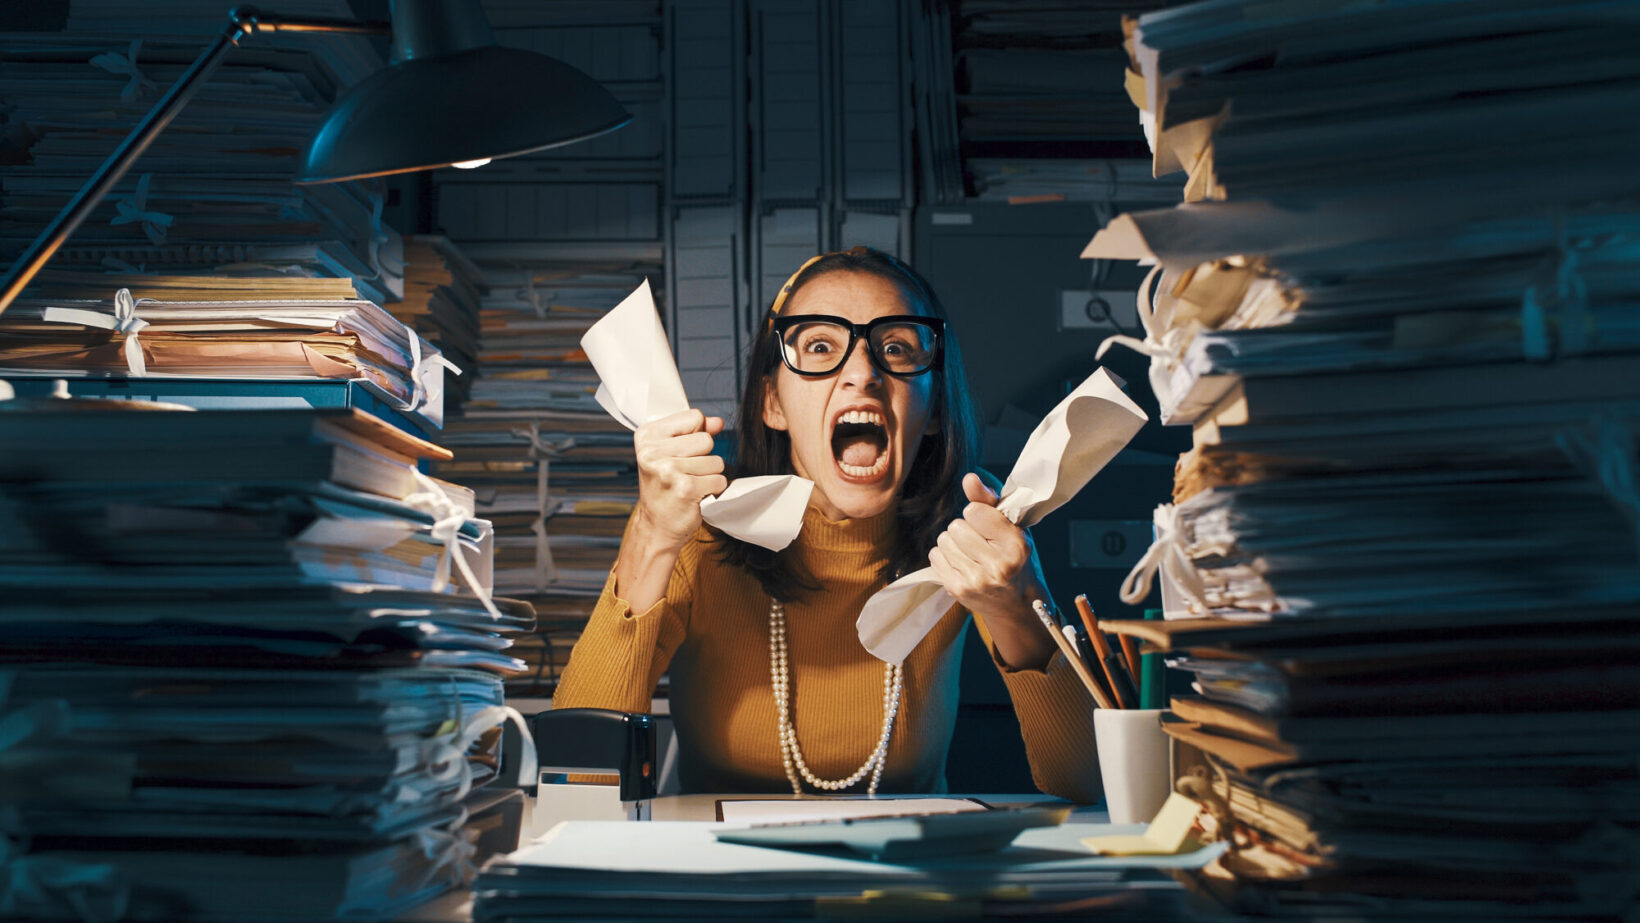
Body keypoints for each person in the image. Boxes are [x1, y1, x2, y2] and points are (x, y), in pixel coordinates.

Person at [553, 247, 1099, 799]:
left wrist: (1020, 601)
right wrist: (651, 532)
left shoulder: (968, 536)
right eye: (819, 347)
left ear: (934, 408)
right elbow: (577, 780)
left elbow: (1085, 783)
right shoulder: (699, 533)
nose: (862, 374)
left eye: (895, 348)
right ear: (773, 403)